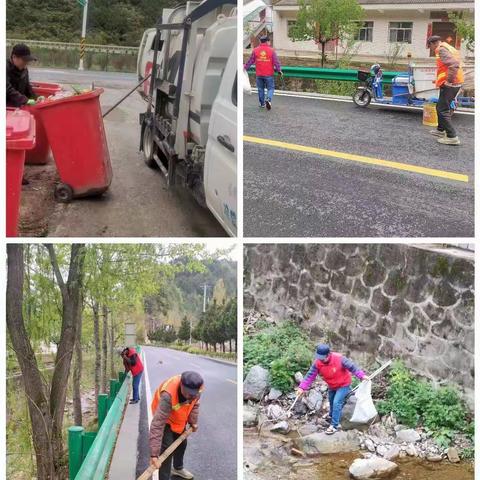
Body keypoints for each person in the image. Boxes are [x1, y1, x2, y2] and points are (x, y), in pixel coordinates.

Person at [296, 344, 366, 435]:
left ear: (328, 354)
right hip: (332, 385)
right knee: (331, 400)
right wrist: (301, 388)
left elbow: (352, 367)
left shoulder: (339, 359)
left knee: (337, 402)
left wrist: (362, 376)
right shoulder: (318, 363)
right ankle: (332, 416)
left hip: (343, 384)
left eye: (322, 358)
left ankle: (334, 425)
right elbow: (310, 376)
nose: (320, 360)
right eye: (319, 357)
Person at [149, 371, 204, 480]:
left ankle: (178, 469)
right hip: (164, 419)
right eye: (187, 392)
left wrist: (193, 422)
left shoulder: (198, 390)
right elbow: (157, 425)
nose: (190, 396)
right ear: (181, 385)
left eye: (193, 394)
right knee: (167, 451)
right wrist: (154, 455)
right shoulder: (168, 395)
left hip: (179, 418)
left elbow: (194, 405)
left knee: (182, 443)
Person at [427, 35, 464, 146]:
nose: (432, 49)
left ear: (433, 44)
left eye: (430, 46)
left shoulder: (441, 49)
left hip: (451, 83)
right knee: (441, 107)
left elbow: (454, 64)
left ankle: (452, 136)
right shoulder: (447, 46)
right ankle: (440, 130)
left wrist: (448, 81)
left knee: (442, 110)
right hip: (455, 82)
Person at [244, 35, 282, 110]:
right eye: (269, 41)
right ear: (267, 41)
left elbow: (250, 61)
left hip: (259, 74)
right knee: (270, 88)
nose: (270, 42)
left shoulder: (255, 50)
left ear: (260, 41)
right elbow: (276, 62)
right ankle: (268, 99)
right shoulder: (271, 51)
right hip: (268, 74)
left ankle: (262, 104)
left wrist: (245, 68)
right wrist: (279, 70)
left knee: (260, 89)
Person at [7, 43, 41, 107]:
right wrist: (24, 100)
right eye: (24, 60)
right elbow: (7, 88)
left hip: (16, 106)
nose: (26, 63)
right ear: (14, 57)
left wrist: (36, 97)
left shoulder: (24, 69)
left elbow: (27, 88)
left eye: (27, 60)